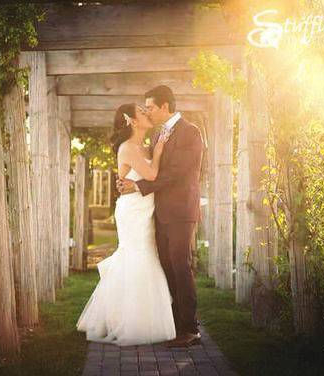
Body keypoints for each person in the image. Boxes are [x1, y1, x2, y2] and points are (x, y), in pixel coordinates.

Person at [76, 102, 176, 346]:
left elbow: (154, 177)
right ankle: (130, 321)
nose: (147, 113)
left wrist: (157, 151)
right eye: (142, 112)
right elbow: (152, 175)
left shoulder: (143, 146)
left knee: (145, 255)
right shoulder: (128, 147)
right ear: (131, 120)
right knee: (136, 256)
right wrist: (160, 151)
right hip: (132, 211)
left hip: (145, 208)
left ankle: (140, 317)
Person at [117, 85, 204, 347]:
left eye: (151, 107)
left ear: (165, 106)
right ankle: (174, 326)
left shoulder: (190, 132)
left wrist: (139, 186)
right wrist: (130, 182)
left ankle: (190, 330)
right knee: (167, 268)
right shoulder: (157, 136)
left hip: (180, 212)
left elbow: (177, 172)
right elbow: (150, 168)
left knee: (181, 266)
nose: (148, 112)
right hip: (159, 213)